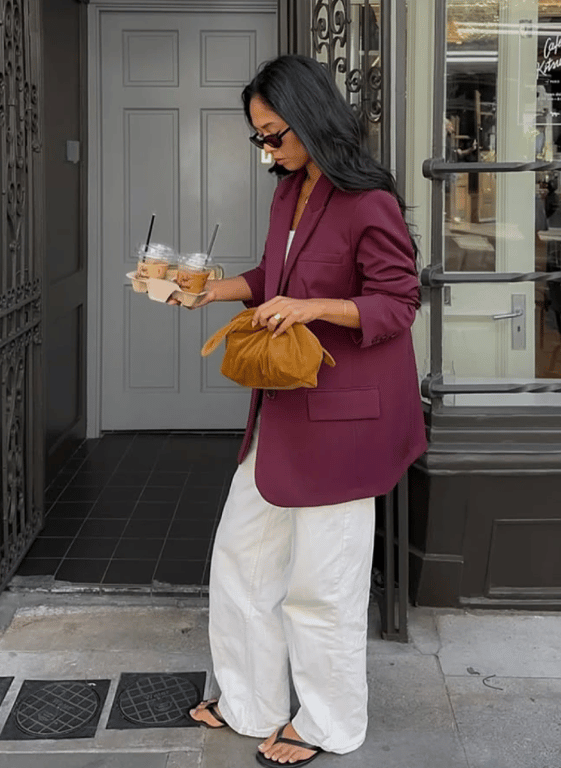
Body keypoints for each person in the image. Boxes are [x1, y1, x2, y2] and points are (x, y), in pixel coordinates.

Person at [178, 54, 427, 766]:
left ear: (310, 119)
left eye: (273, 134)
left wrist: (312, 307)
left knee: (323, 586)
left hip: (345, 421)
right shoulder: (290, 191)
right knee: (241, 561)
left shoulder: (366, 200)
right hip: (284, 411)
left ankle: (327, 723)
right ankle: (250, 701)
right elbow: (273, 278)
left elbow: (398, 302)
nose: (267, 149)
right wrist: (212, 291)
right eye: (258, 137)